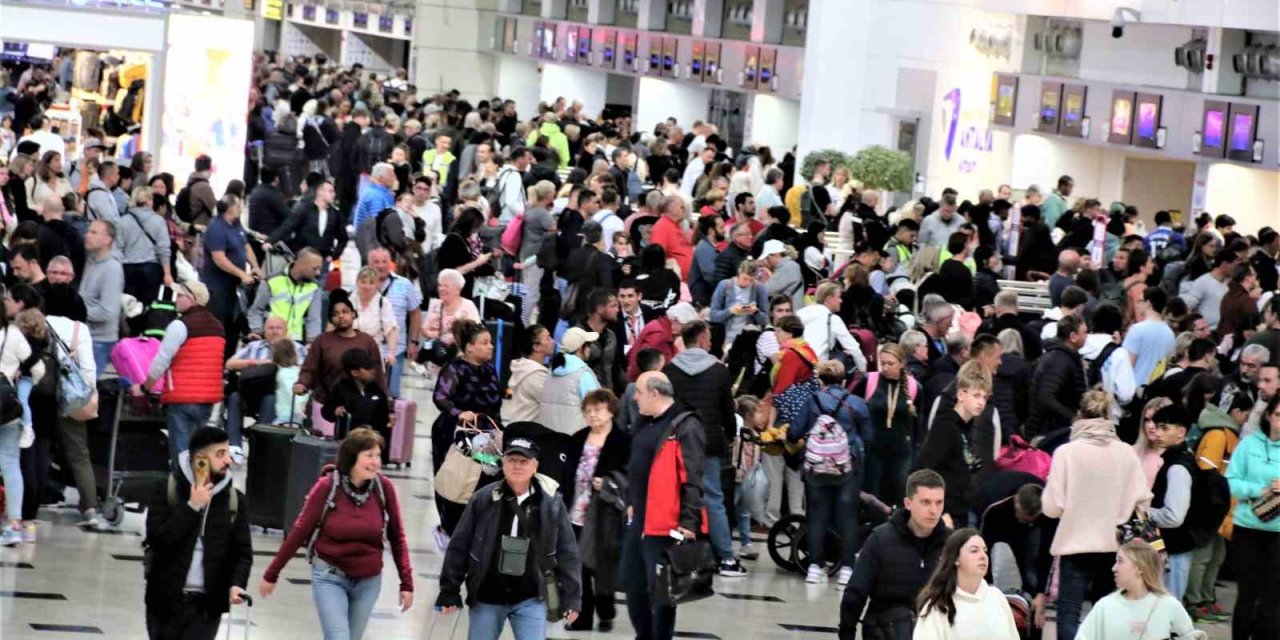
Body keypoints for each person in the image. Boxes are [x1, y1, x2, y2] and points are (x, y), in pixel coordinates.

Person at [259, 429, 413, 640]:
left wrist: (406, 583)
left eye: (378, 455)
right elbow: (299, 531)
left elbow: (397, 536)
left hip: (368, 580)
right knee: (339, 637)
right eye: (369, 456)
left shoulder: (383, 488)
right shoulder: (327, 486)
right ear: (352, 457)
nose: (376, 462)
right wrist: (272, 573)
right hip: (330, 576)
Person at [437, 435, 582, 640]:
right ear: (503, 464)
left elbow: (568, 552)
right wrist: (449, 591)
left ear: (535, 466)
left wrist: (572, 599)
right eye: (512, 460)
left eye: (524, 461)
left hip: (531, 597)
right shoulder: (484, 498)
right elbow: (459, 545)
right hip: (487, 595)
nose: (517, 466)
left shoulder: (550, 504)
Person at [1039, 389, 1153, 640]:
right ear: (1109, 416)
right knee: (1108, 615)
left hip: (1075, 544)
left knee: (1068, 614)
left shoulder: (1066, 453)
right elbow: (1142, 499)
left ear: (1079, 414)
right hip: (1114, 544)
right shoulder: (1125, 452)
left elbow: (1051, 507)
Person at [143, 427, 252, 640]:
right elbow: (158, 540)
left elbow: (242, 552)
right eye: (220, 454)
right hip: (165, 603)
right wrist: (192, 507)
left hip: (207, 608)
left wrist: (237, 584)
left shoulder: (234, 500)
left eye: (227, 452)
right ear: (200, 458)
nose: (228, 460)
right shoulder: (166, 490)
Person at [621, 371, 706, 640]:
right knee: (634, 587)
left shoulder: (685, 425)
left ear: (655, 393)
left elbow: (692, 477)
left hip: (666, 524)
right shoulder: (644, 422)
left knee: (662, 594)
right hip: (640, 520)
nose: (635, 398)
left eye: (639, 392)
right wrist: (630, 500)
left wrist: (688, 521)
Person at [661, 320, 744, 577]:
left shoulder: (670, 370)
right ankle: (726, 558)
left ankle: (676, 555)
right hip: (709, 442)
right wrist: (730, 434)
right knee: (713, 499)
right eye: (708, 337)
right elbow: (727, 410)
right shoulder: (718, 371)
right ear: (701, 339)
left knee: (678, 498)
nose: (710, 342)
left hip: (677, 441)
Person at [838, 469, 951, 640]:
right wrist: (847, 633)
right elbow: (856, 592)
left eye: (939, 502)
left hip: (932, 626)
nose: (933, 510)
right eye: (926, 502)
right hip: (887, 626)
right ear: (908, 503)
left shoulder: (951, 544)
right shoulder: (881, 539)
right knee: (901, 619)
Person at [790, 359, 872, 585]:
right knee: (848, 517)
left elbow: (794, 432)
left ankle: (815, 567)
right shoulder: (856, 403)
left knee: (817, 515)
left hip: (816, 467)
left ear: (821, 380)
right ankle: (846, 568)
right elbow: (869, 437)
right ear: (843, 380)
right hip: (848, 467)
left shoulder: (812, 401)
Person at [129, 281, 226, 467]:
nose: (176, 300)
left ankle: (182, 484)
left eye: (180, 295)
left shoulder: (180, 325)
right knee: (200, 453)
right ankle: (200, 484)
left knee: (181, 456)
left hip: (182, 397)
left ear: (192, 299)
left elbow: (161, 361)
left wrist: (145, 387)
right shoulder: (218, 327)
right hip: (207, 399)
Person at [561, 389, 631, 631]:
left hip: (605, 513)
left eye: (598, 410)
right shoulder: (578, 438)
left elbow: (631, 476)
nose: (592, 415)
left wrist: (609, 482)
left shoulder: (623, 441)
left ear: (611, 411)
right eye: (588, 411)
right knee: (577, 566)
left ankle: (606, 611)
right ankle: (582, 616)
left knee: (602, 564)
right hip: (575, 510)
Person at [431, 319, 502, 539]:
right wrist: (458, 412)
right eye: (484, 343)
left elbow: (495, 405)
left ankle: (474, 532)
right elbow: (440, 396)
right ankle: (448, 530)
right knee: (455, 481)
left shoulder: (490, 370)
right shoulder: (455, 368)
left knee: (484, 481)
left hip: (486, 435)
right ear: (469, 347)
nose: (491, 346)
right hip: (456, 434)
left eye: (490, 342)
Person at [1224, 393, 1280, 639]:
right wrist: (1259, 490)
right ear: (1268, 415)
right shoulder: (1248, 444)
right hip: (1247, 527)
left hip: (1278, 532)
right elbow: (1231, 481)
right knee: (1247, 593)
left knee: (1273, 597)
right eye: (1278, 415)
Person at [915, 361, 992, 526]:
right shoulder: (946, 426)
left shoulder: (965, 426)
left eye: (985, 397)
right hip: (946, 513)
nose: (981, 402)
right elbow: (924, 469)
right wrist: (940, 511)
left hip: (960, 509)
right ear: (961, 395)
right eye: (976, 396)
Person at [1075, 540, 1199, 640]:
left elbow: (1191, 636)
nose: (1114, 568)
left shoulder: (1169, 605)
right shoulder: (1105, 605)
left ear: (1140, 568)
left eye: (1120, 562)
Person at [912, 528, 1020, 640]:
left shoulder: (996, 597)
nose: (983, 556)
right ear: (956, 559)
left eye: (985, 551)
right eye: (974, 551)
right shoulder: (938, 605)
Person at [295, 290, 387, 407]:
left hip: (360, 405)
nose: (341, 316)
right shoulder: (322, 341)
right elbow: (309, 368)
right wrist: (302, 384)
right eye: (335, 314)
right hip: (325, 403)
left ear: (353, 314)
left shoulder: (367, 341)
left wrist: (386, 404)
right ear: (331, 319)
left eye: (345, 312)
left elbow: (378, 374)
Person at [202, 195, 261, 360]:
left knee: (233, 326)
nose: (242, 208)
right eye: (239, 205)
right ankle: (215, 360)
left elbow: (246, 246)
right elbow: (219, 259)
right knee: (219, 326)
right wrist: (242, 274)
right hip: (217, 287)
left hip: (234, 287)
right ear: (231, 208)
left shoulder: (236, 225)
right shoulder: (216, 228)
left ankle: (228, 361)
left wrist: (255, 266)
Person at [1025, 314, 1088, 439]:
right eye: (1084, 332)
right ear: (1073, 337)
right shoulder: (1059, 361)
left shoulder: (1062, 357)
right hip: (1050, 431)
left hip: (1052, 428)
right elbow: (1046, 397)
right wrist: (1073, 417)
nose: (1087, 336)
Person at [247, 247, 324, 344]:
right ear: (301, 264)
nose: (318, 273)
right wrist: (257, 331)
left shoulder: (315, 287)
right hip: (270, 339)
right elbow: (256, 310)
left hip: (296, 342)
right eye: (315, 268)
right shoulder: (272, 280)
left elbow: (314, 319)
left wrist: (311, 342)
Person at [537, 327, 602, 435]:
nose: (590, 349)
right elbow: (597, 410)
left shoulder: (551, 371)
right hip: (574, 439)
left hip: (549, 439)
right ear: (580, 348)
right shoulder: (583, 374)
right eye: (588, 345)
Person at [79, 219, 124, 374]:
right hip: (85, 336)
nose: (88, 235)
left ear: (107, 239)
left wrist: (79, 311)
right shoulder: (91, 261)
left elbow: (107, 311)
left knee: (87, 385)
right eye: (88, 231)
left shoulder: (112, 268)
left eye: (94, 232)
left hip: (99, 341)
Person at [798, 281, 867, 373]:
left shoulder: (799, 313)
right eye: (838, 297)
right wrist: (863, 371)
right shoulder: (832, 319)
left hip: (797, 368)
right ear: (829, 298)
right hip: (818, 370)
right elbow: (853, 348)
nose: (841, 301)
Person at [710, 260, 769, 351]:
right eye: (745, 278)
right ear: (739, 272)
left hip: (747, 338)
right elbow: (713, 316)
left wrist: (755, 312)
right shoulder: (725, 285)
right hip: (725, 337)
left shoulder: (759, 288)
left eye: (751, 280)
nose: (748, 283)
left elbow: (765, 320)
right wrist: (730, 311)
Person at [503, 324, 553, 424]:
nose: (552, 341)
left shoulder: (524, 368)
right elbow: (552, 402)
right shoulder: (535, 374)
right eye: (548, 338)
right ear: (536, 346)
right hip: (528, 429)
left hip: (519, 425)